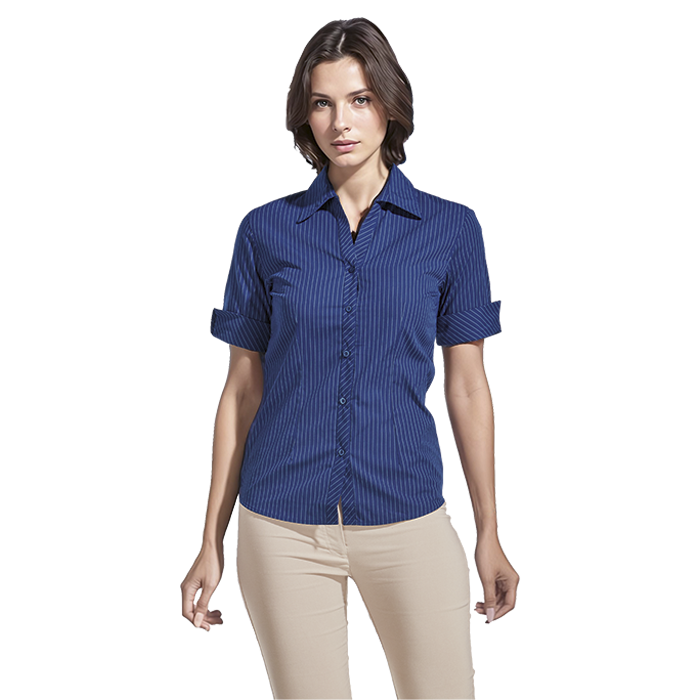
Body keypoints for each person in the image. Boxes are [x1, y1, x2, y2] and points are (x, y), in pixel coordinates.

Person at [181, 17, 519, 700]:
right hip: (282, 528)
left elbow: (467, 387)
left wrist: (488, 530)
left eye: (360, 99)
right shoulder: (265, 230)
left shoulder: (452, 229)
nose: (341, 122)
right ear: (304, 115)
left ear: (390, 105)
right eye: (323, 102)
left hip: (409, 518)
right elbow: (241, 390)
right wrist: (211, 538)